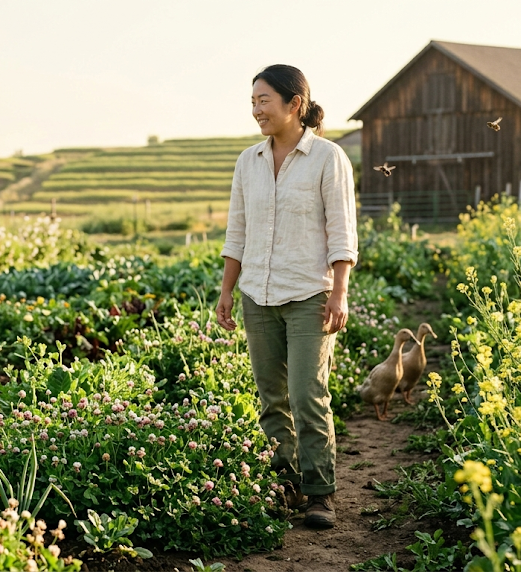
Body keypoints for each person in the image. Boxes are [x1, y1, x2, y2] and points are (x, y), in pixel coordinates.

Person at [215, 64, 358, 529]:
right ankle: (283, 485)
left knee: (307, 394)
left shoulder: (327, 157)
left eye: (264, 100)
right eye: (252, 101)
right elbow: (237, 231)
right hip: (258, 293)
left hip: (308, 295)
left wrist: (340, 293)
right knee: (271, 397)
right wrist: (227, 291)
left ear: (295, 103)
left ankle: (320, 493)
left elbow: (341, 232)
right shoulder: (247, 161)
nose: (256, 109)